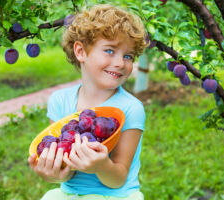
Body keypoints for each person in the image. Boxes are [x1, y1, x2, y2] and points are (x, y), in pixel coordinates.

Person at [27, 4, 147, 200]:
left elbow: (119, 178)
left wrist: (101, 166)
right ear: (81, 51)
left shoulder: (131, 109)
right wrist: (52, 173)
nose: (120, 63)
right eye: (110, 50)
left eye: (128, 56)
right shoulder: (60, 101)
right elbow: (67, 171)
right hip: (71, 194)